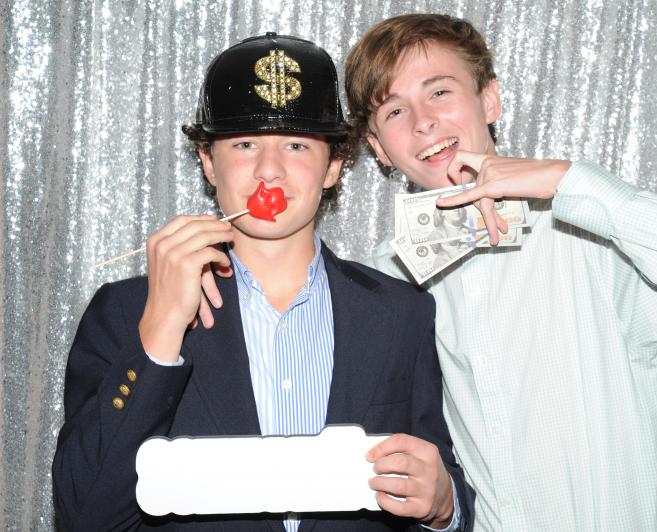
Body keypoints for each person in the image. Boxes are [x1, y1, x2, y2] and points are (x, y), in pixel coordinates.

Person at [343, 13, 657, 532]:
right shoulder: (383, 280)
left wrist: (568, 182)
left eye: (439, 92)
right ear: (379, 149)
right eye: (394, 110)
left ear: (489, 100)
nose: (423, 121)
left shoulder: (599, 234)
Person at [52, 33, 474, 532]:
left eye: (296, 145)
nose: (268, 171)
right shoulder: (126, 311)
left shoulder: (403, 312)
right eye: (244, 144)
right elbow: (85, 514)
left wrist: (443, 505)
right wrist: (160, 331)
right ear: (208, 162)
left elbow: (442, 477)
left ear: (334, 166)